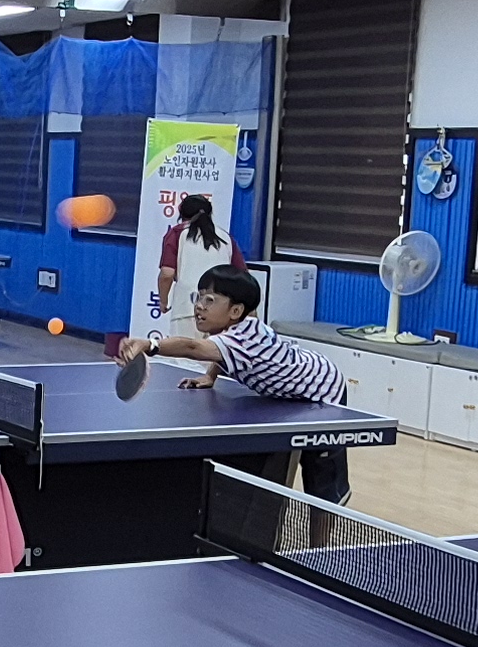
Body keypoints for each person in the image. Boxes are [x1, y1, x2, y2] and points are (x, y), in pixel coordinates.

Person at [122, 260, 355, 502]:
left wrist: (150, 344)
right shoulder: (237, 328)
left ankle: (326, 523)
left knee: (322, 485)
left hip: (322, 389)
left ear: (235, 311)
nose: (199, 306)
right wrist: (210, 376)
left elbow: (193, 347)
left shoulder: (242, 339)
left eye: (210, 300)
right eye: (199, 297)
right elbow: (220, 352)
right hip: (296, 388)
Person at [149, 192, 236, 335]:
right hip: (221, 312)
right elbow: (241, 275)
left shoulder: (177, 233)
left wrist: (163, 301)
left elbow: (167, 274)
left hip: (187, 308)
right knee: (215, 349)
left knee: (184, 348)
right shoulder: (225, 237)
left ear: (182, 213)